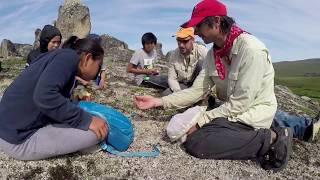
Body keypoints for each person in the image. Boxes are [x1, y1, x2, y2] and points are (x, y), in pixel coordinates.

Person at [134, 0, 293, 172]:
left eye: (199, 25)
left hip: (251, 113)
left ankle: (272, 138)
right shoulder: (213, 54)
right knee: (194, 136)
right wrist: (158, 102)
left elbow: (241, 103)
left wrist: (201, 121)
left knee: (197, 143)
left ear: (217, 21)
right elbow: (196, 91)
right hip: (233, 111)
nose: (195, 31)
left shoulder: (251, 50)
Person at [0, 37, 107, 160]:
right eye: (99, 66)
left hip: (5, 124)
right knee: (98, 132)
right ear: (88, 58)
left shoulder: (56, 56)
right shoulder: (69, 58)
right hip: (17, 140)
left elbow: (49, 88)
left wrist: (78, 94)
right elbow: (45, 96)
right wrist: (87, 120)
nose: (98, 71)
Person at [162, 27, 208, 96]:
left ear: (192, 40)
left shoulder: (202, 51)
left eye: (185, 41)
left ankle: (202, 96)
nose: (181, 45)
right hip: (184, 85)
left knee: (201, 64)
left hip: (200, 86)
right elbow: (172, 78)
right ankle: (191, 98)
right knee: (166, 94)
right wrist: (178, 93)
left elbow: (212, 71)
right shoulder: (174, 55)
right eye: (179, 41)